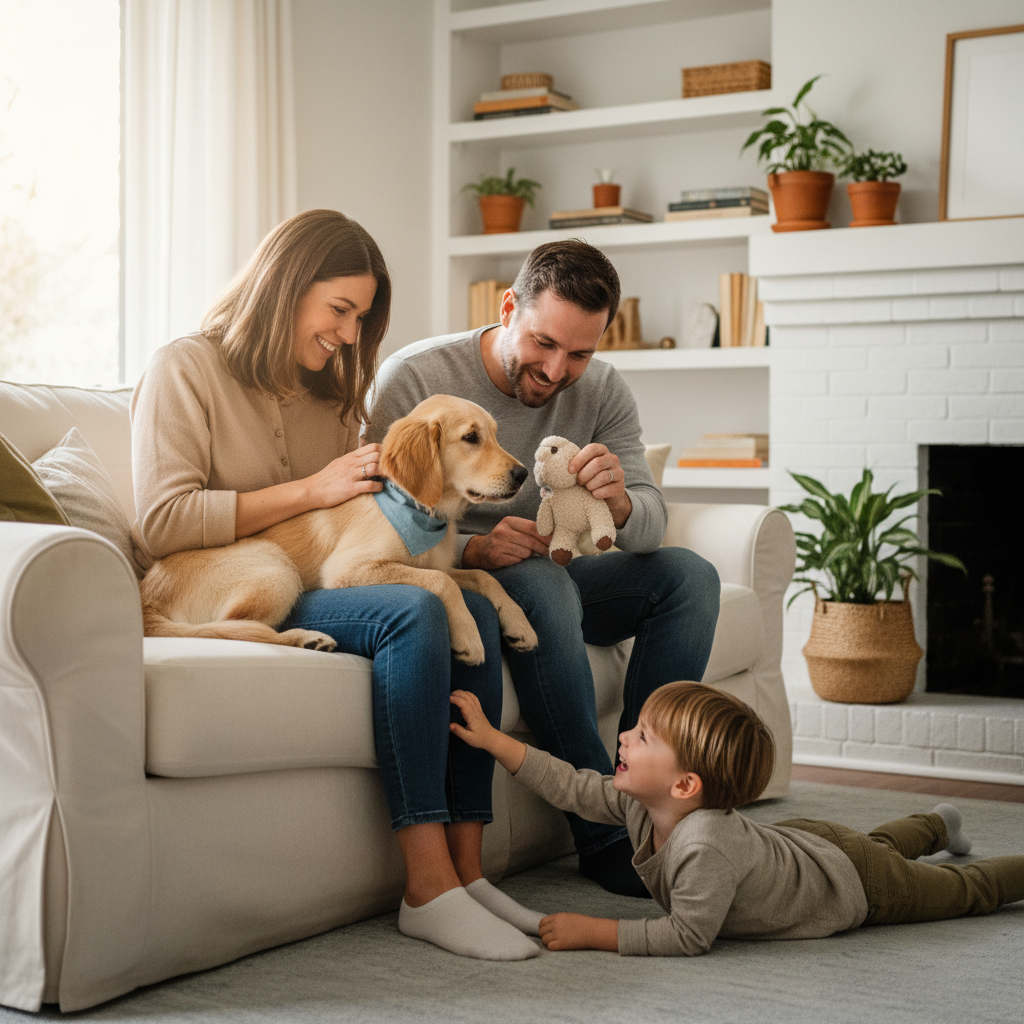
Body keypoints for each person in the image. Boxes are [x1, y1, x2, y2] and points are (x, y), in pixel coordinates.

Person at [130, 209, 542, 961]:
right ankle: (426, 888)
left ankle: (469, 866)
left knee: (472, 616)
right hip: (224, 574)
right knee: (416, 611)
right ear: (285, 288)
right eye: (340, 311)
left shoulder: (330, 395)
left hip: (309, 574)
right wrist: (310, 491)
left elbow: (364, 519)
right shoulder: (184, 368)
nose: (351, 337)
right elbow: (161, 522)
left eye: (362, 318)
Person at [366, 240, 721, 897]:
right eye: (543, 343)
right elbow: (373, 512)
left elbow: (647, 524)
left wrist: (619, 498)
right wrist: (471, 549)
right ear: (508, 308)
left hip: (564, 561)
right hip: (479, 569)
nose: (558, 370)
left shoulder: (604, 389)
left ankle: (649, 805)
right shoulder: (415, 378)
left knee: (690, 578)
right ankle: (606, 837)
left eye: (580, 353)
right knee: (542, 583)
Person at [450, 681, 1024, 955]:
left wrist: (596, 932)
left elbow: (689, 935)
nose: (623, 736)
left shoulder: (704, 846)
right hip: (806, 846)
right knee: (871, 842)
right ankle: (938, 824)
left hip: (852, 887)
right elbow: (570, 786)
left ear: (684, 785)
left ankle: (956, 836)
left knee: (958, 889)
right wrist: (496, 740)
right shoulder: (641, 802)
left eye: (642, 736)